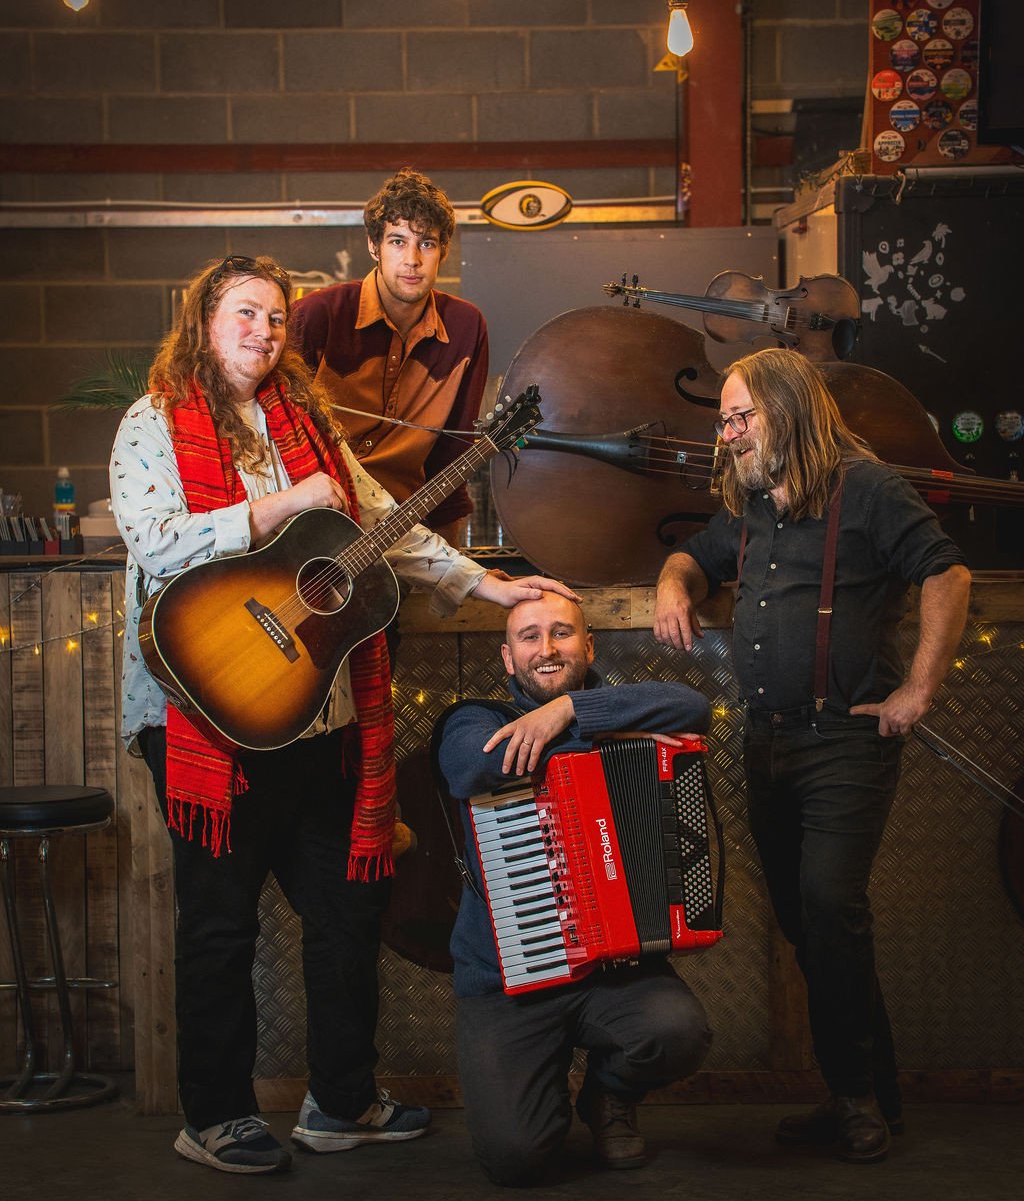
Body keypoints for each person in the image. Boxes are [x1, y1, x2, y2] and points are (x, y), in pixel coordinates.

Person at [109, 254, 576, 1177]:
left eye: (277, 318)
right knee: (219, 924)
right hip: (205, 715)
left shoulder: (306, 422)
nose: (264, 331)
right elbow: (153, 540)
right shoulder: (155, 419)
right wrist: (283, 502)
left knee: (347, 910)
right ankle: (213, 1116)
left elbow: (385, 524)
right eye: (245, 313)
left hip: (315, 716)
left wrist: (490, 584)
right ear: (205, 320)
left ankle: (342, 1101)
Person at [653, 348, 970, 1164]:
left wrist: (919, 692)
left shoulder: (867, 489)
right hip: (766, 741)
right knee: (810, 923)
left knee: (829, 907)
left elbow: (947, 573)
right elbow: (695, 555)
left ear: (787, 409)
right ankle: (875, 1094)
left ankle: (855, 1101)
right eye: (722, 420)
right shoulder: (753, 503)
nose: (725, 436)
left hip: (844, 744)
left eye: (738, 418)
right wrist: (671, 584)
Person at [436, 591, 713, 1186]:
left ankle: (607, 1097)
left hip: (612, 971)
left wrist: (567, 714)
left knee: (678, 1032)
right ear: (507, 658)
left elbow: (692, 706)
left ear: (588, 647)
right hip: (507, 979)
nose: (546, 647)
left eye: (562, 633)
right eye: (529, 636)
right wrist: (599, 735)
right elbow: (472, 767)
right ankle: (537, 1089)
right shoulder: (472, 718)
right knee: (517, 1158)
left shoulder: (619, 703)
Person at [292, 167, 489, 547]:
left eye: (426, 244)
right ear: (374, 246)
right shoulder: (319, 316)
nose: (412, 259)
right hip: (316, 528)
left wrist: (453, 558)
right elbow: (274, 435)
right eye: (398, 242)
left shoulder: (466, 327)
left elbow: (454, 451)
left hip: (406, 529)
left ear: (443, 251)